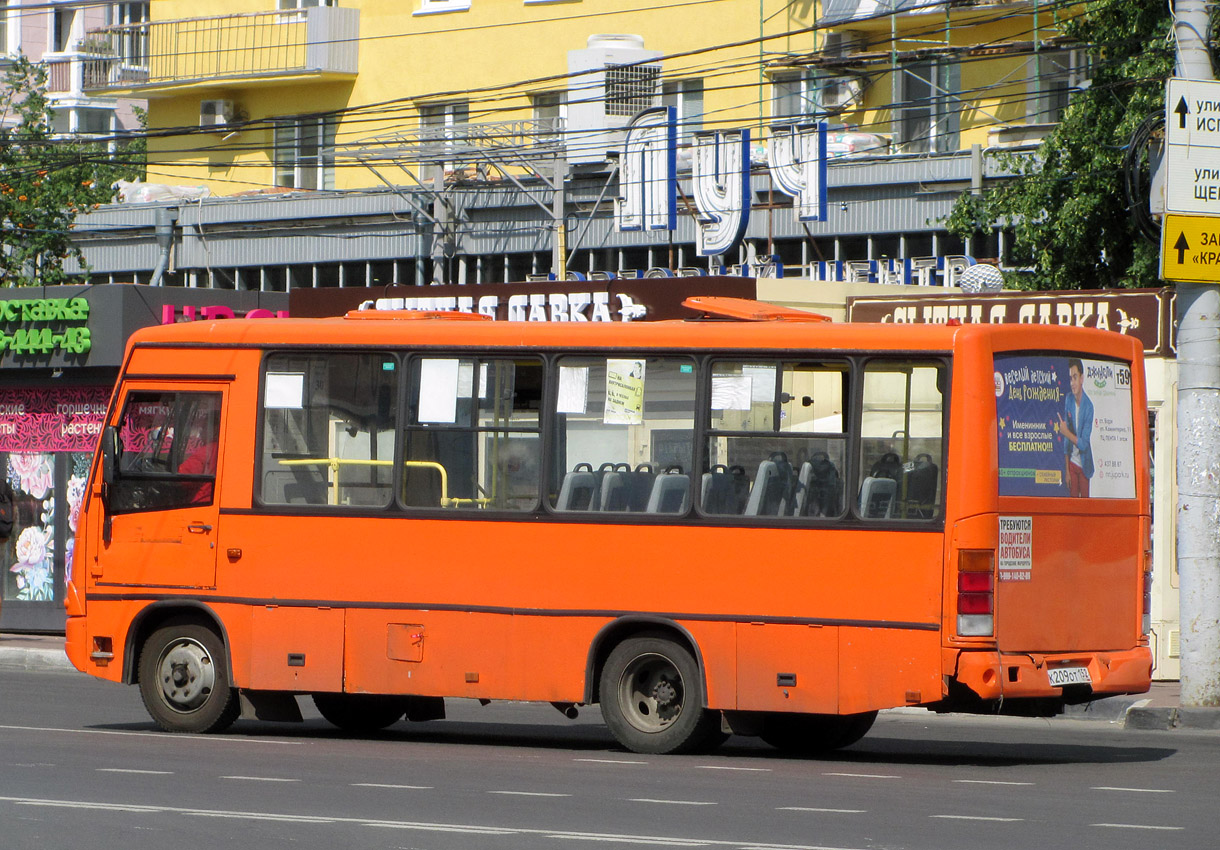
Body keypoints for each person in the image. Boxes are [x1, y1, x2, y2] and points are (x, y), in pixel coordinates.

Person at [1058, 358, 1094, 497]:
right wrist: (1067, 470)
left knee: (1085, 508)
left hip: (1084, 465)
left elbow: (1084, 444)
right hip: (1072, 464)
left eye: (1075, 377)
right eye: (1070, 378)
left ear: (1082, 378)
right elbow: (1067, 442)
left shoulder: (1089, 407)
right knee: (1072, 506)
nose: (1072, 383)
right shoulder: (1068, 399)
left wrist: (1066, 432)